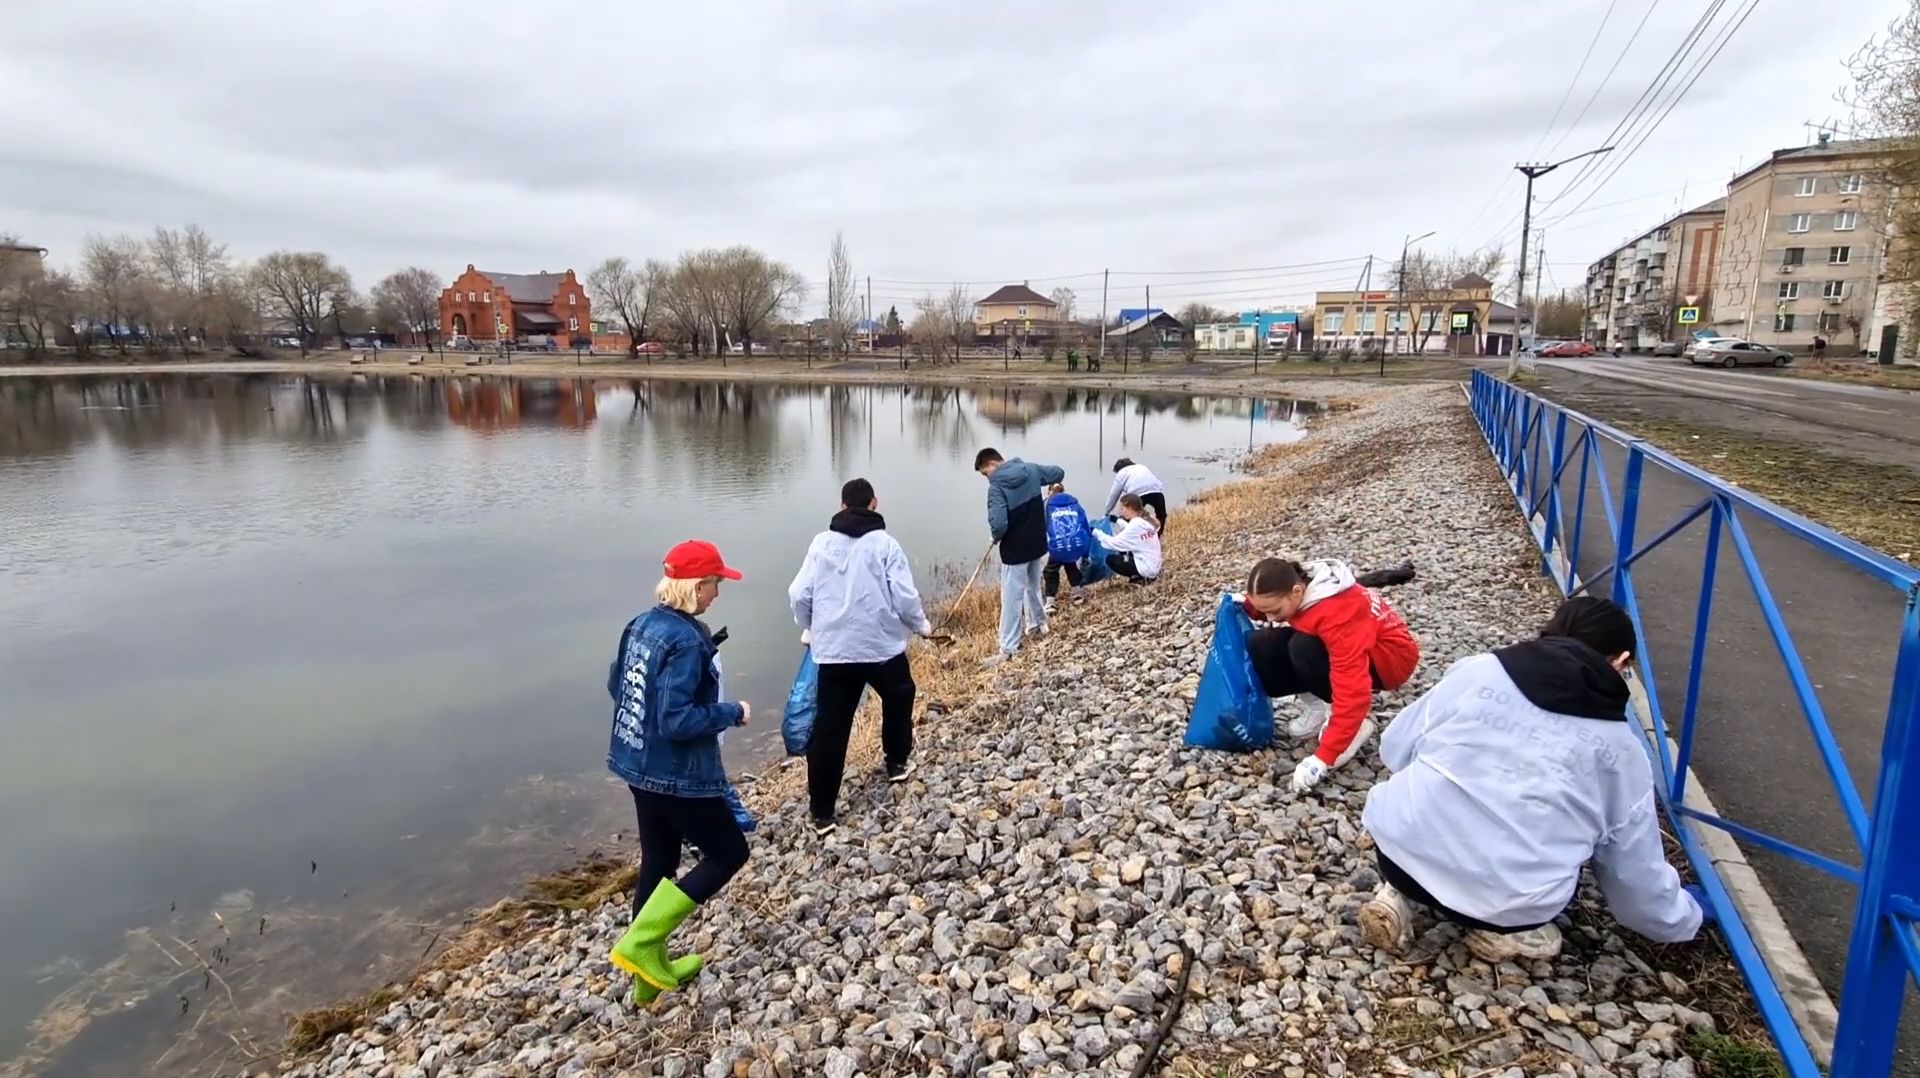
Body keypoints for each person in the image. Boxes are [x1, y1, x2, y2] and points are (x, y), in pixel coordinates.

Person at [1358, 596, 1710, 962]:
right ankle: (1509, 936)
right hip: (1505, 903)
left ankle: (1396, 897)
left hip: (1397, 856)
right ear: (1620, 662)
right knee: (1567, 864)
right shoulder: (1622, 752)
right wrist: (1686, 917)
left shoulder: (1479, 671)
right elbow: (1634, 884)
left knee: (1431, 802)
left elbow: (1395, 747)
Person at [606, 540, 753, 1004]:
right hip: (678, 776)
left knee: (659, 862)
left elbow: (617, 685)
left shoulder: (641, 624)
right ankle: (643, 942)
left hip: (635, 763)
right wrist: (733, 711)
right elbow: (677, 719)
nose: (717, 593)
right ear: (695, 585)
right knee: (729, 852)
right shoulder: (689, 641)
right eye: (714, 583)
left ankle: (646, 980)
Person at [788, 478, 933, 837]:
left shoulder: (821, 544)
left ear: (841, 506)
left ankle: (822, 812)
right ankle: (897, 762)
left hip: (834, 652)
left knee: (831, 728)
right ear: (874, 503)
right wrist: (921, 625)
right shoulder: (885, 544)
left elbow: (798, 593)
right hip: (880, 647)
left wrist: (810, 626)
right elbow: (904, 596)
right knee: (899, 697)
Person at [1241, 557, 1420, 794]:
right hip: (1355, 645)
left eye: (1274, 611)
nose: (1271, 618)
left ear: (1296, 592)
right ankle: (1317, 707)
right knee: (1261, 643)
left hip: (1389, 661)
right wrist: (1243, 605)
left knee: (1303, 648)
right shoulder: (1305, 584)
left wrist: (1323, 757)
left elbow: (1352, 690)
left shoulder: (1338, 614)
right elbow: (1270, 608)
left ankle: (1355, 726)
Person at [974, 447, 1066, 667]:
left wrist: (995, 537)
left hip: (1015, 549)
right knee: (1033, 585)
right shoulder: (1031, 470)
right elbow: (1058, 472)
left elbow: (998, 524)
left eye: (985, 473)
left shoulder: (996, 487)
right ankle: (1037, 624)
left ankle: (1008, 648)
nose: (987, 478)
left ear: (992, 465)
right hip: (1036, 541)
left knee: (1011, 597)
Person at [1042, 482, 1092, 611]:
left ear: (1049, 492)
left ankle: (1050, 602)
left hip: (1059, 545)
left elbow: (1042, 527)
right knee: (1070, 563)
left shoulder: (1046, 505)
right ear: (1064, 491)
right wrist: (1085, 554)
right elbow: (1085, 528)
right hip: (1078, 544)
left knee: (1050, 571)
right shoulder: (1076, 505)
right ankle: (1077, 593)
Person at [1101, 493, 1163, 584]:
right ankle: (1142, 575)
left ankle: (1140, 577)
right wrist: (1117, 521)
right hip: (1155, 564)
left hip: (1147, 569)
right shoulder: (1147, 518)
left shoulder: (1135, 524)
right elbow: (1134, 533)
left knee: (1111, 559)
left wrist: (1097, 533)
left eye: (1122, 509)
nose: (1120, 512)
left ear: (1130, 508)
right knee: (1125, 549)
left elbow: (1114, 543)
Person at [1104, 457, 1169, 532]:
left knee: (1129, 518)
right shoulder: (1141, 467)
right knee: (1161, 514)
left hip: (1138, 495)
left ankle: (1131, 537)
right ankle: (1158, 535)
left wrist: (1107, 511)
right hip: (1157, 491)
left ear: (1118, 469)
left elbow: (1114, 495)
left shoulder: (1121, 473)